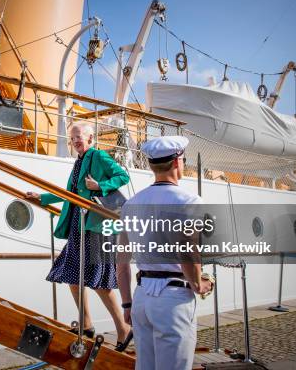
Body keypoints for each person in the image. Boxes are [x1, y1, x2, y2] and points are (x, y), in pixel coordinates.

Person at [25, 122, 132, 350]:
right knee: (73, 275)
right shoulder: (79, 162)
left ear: (90, 138)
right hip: (79, 224)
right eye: (72, 139)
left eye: (79, 137)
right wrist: (42, 198)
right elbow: (69, 194)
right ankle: (86, 325)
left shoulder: (98, 156)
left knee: (100, 282)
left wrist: (100, 185)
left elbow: (123, 176)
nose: (75, 142)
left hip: (94, 226)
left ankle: (124, 328)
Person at [116, 136, 213, 369]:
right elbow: (187, 252)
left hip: (141, 298)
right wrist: (199, 283)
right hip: (173, 300)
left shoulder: (131, 205)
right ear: (178, 162)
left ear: (151, 165)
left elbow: (121, 263)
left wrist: (127, 304)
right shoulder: (189, 200)